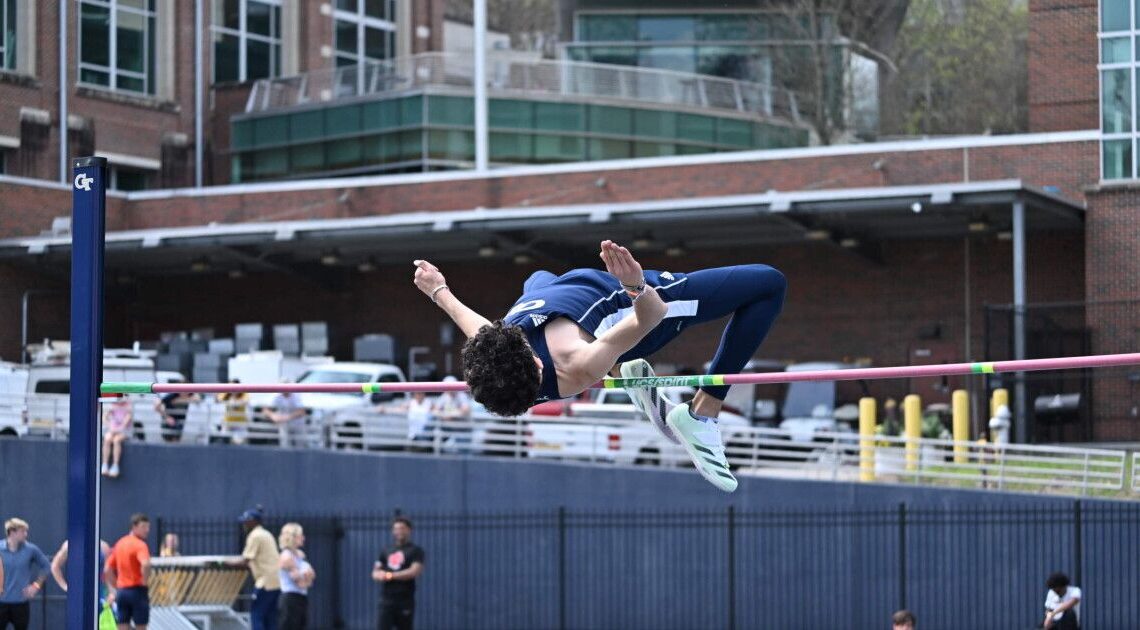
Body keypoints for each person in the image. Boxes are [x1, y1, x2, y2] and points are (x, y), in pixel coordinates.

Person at [413, 240, 786, 491]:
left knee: (536, 277)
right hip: (624, 305)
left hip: (554, 294)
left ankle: (623, 372)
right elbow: (650, 315)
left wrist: (437, 289)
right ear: (538, 369)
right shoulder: (577, 364)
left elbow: (465, 317)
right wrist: (635, 284)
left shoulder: (495, 357)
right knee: (768, 283)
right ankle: (703, 412)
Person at [229, 507, 281, 630]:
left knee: (256, 615)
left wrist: (222, 564)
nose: (244, 524)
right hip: (277, 581)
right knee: (270, 617)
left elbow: (246, 560)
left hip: (265, 582)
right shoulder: (266, 534)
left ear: (254, 521)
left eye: (246, 521)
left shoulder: (255, 536)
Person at [372, 517, 424, 630]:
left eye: (402, 528)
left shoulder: (415, 551)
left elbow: (414, 571)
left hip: (405, 599)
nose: (399, 531)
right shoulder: (386, 550)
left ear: (409, 530)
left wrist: (390, 575)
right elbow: (375, 572)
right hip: (386, 600)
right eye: (396, 529)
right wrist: (379, 575)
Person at [0, 518, 50, 630]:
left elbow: (46, 566)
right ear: (12, 532)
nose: (26, 534)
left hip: (21, 604)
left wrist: (36, 585)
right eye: (23, 531)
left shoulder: (31, 550)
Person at [104, 513, 152, 630]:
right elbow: (145, 564)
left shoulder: (120, 543)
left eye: (148, 527)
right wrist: (144, 581)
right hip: (137, 589)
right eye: (143, 527)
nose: (147, 530)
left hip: (122, 591)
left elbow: (107, 569)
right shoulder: (140, 545)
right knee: (141, 625)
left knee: (123, 624)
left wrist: (115, 585)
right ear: (134, 527)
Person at [277, 523, 315, 630]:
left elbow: (311, 577)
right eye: (301, 535)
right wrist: (306, 576)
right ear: (293, 537)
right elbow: (301, 582)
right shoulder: (286, 556)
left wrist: (307, 577)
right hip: (290, 598)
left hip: (301, 598)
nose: (303, 538)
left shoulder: (300, 555)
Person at [432, 376, 472, 452]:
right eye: (447, 387)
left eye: (450, 386)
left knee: (462, 452)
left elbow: (466, 410)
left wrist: (450, 415)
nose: (449, 389)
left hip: (463, 430)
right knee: (437, 434)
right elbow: (435, 410)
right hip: (449, 430)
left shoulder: (461, 396)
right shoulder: (444, 396)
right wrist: (444, 415)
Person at [102, 397, 133, 477]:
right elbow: (104, 417)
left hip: (124, 431)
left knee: (116, 440)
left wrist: (118, 429)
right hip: (113, 430)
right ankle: (105, 464)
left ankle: (115, 466)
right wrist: (109, 426)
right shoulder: (112, 404)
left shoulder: (128, 405)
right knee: (107, 438)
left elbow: (126, 421)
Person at [216, 380, 250, 445]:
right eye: (230, 387)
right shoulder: (226, 393)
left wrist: (235, 403)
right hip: (228, 423)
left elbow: (246, 401)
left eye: (234, 387)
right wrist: (230, 401)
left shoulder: (244, 393)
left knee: (241, 442)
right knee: (224, 437)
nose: (232, 389)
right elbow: (218, 399)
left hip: (240, 423)